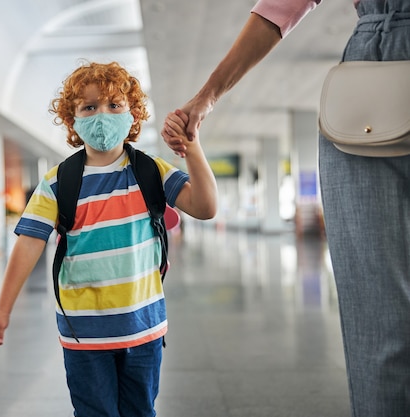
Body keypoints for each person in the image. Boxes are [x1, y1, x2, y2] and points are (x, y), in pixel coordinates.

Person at [161, 1, 410, 416]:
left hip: (375, 67)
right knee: (376, 316)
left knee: (378, 324)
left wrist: (207, 96)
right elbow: (282, 8)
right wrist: (207, 96)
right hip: (374, 67)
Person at [0, 61, 217, 416]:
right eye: (89, 107)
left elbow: (205, 206)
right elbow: (29, 244)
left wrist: (193, 146)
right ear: (72, 120)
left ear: (133, 114)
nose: (102, 116)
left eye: (114, 105)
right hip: (84, 333)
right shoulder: (58, 182)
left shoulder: (150, 171)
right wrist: (3, 310)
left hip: (143, 328)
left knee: (141, 411)